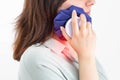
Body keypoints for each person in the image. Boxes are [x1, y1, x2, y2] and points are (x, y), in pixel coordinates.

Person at [13, 0, 108, 80]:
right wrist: (86, 58)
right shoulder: (37, 58)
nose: (92, 2)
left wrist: (86, 56)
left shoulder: (79, 49)